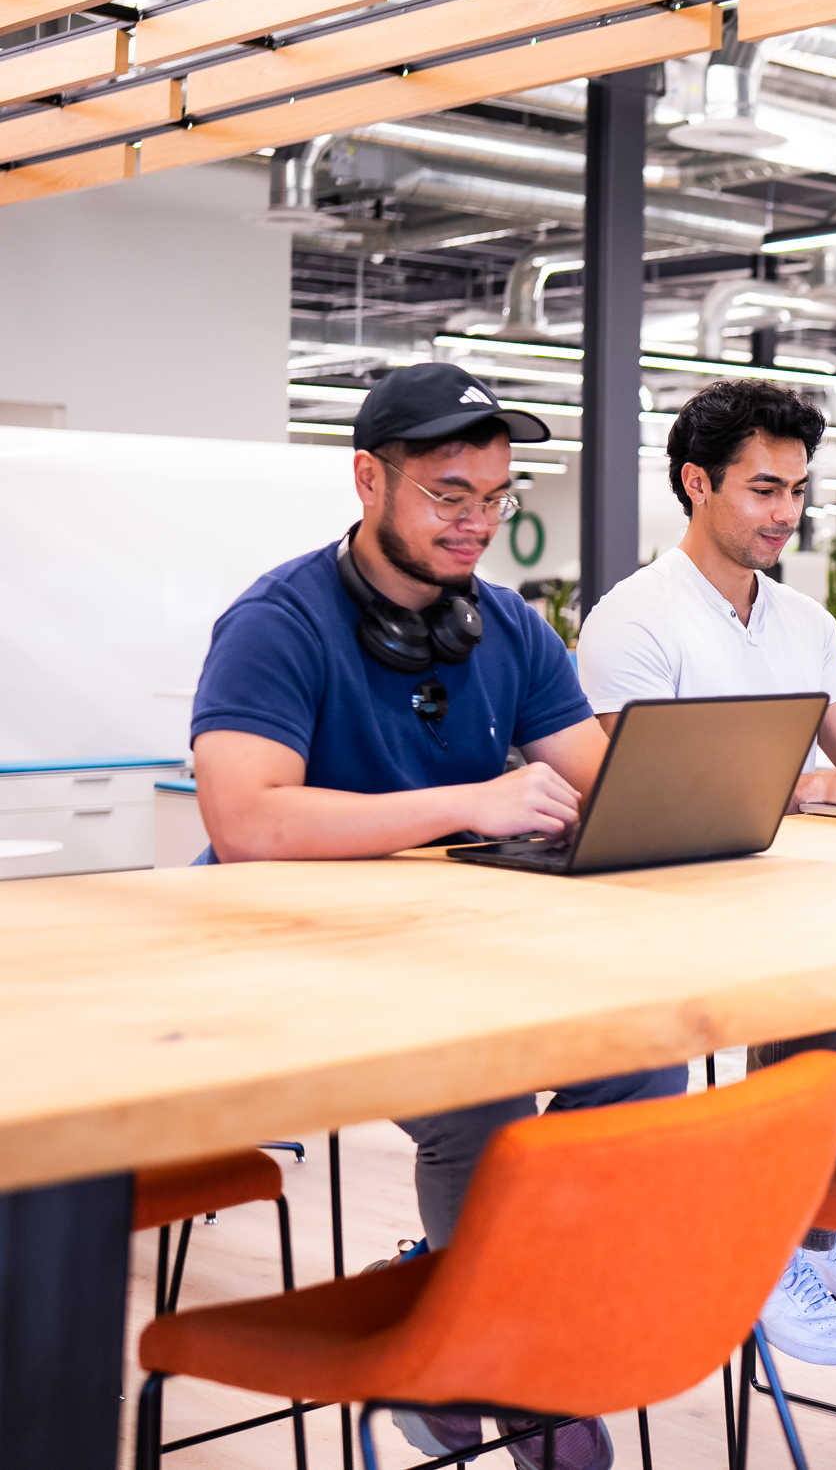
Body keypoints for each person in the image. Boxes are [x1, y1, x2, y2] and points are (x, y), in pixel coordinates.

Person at [191, 362, 668, 1469]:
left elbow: (609, 777)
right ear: (369, 478)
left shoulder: (504, 625)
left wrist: (752, 786)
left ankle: (445, 1341)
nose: (479, 522)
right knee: (489, 1110)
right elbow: (248, 818)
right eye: (450, 493)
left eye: (496, 496)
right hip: (282, 958)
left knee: (646, 1061)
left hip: (450, 952)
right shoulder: (278, 621)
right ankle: (530, 1393)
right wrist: (470, 799)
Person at [574, 377, 836, 1372]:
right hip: (676, 899)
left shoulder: (804, 619)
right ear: (696, 482)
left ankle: (829, 1208)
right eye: (764, 488)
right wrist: (814, 789)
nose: (786, 512)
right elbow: (636, 783)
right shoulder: (632, 618)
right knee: (820, 981)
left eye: (796, 490)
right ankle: (771, 1228)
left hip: (794, 881)